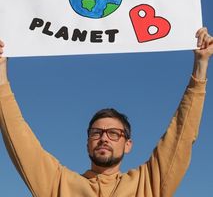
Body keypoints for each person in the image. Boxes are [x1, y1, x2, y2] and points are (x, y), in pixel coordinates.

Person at [0, 27, 213, 197]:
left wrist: (201, 65)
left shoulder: (148, 183)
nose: (104, 138)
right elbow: (18, 137)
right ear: (87, 143)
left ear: (128, 144)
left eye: (114, 133)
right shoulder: (58, 184)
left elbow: (181, 135)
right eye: (96, 133)